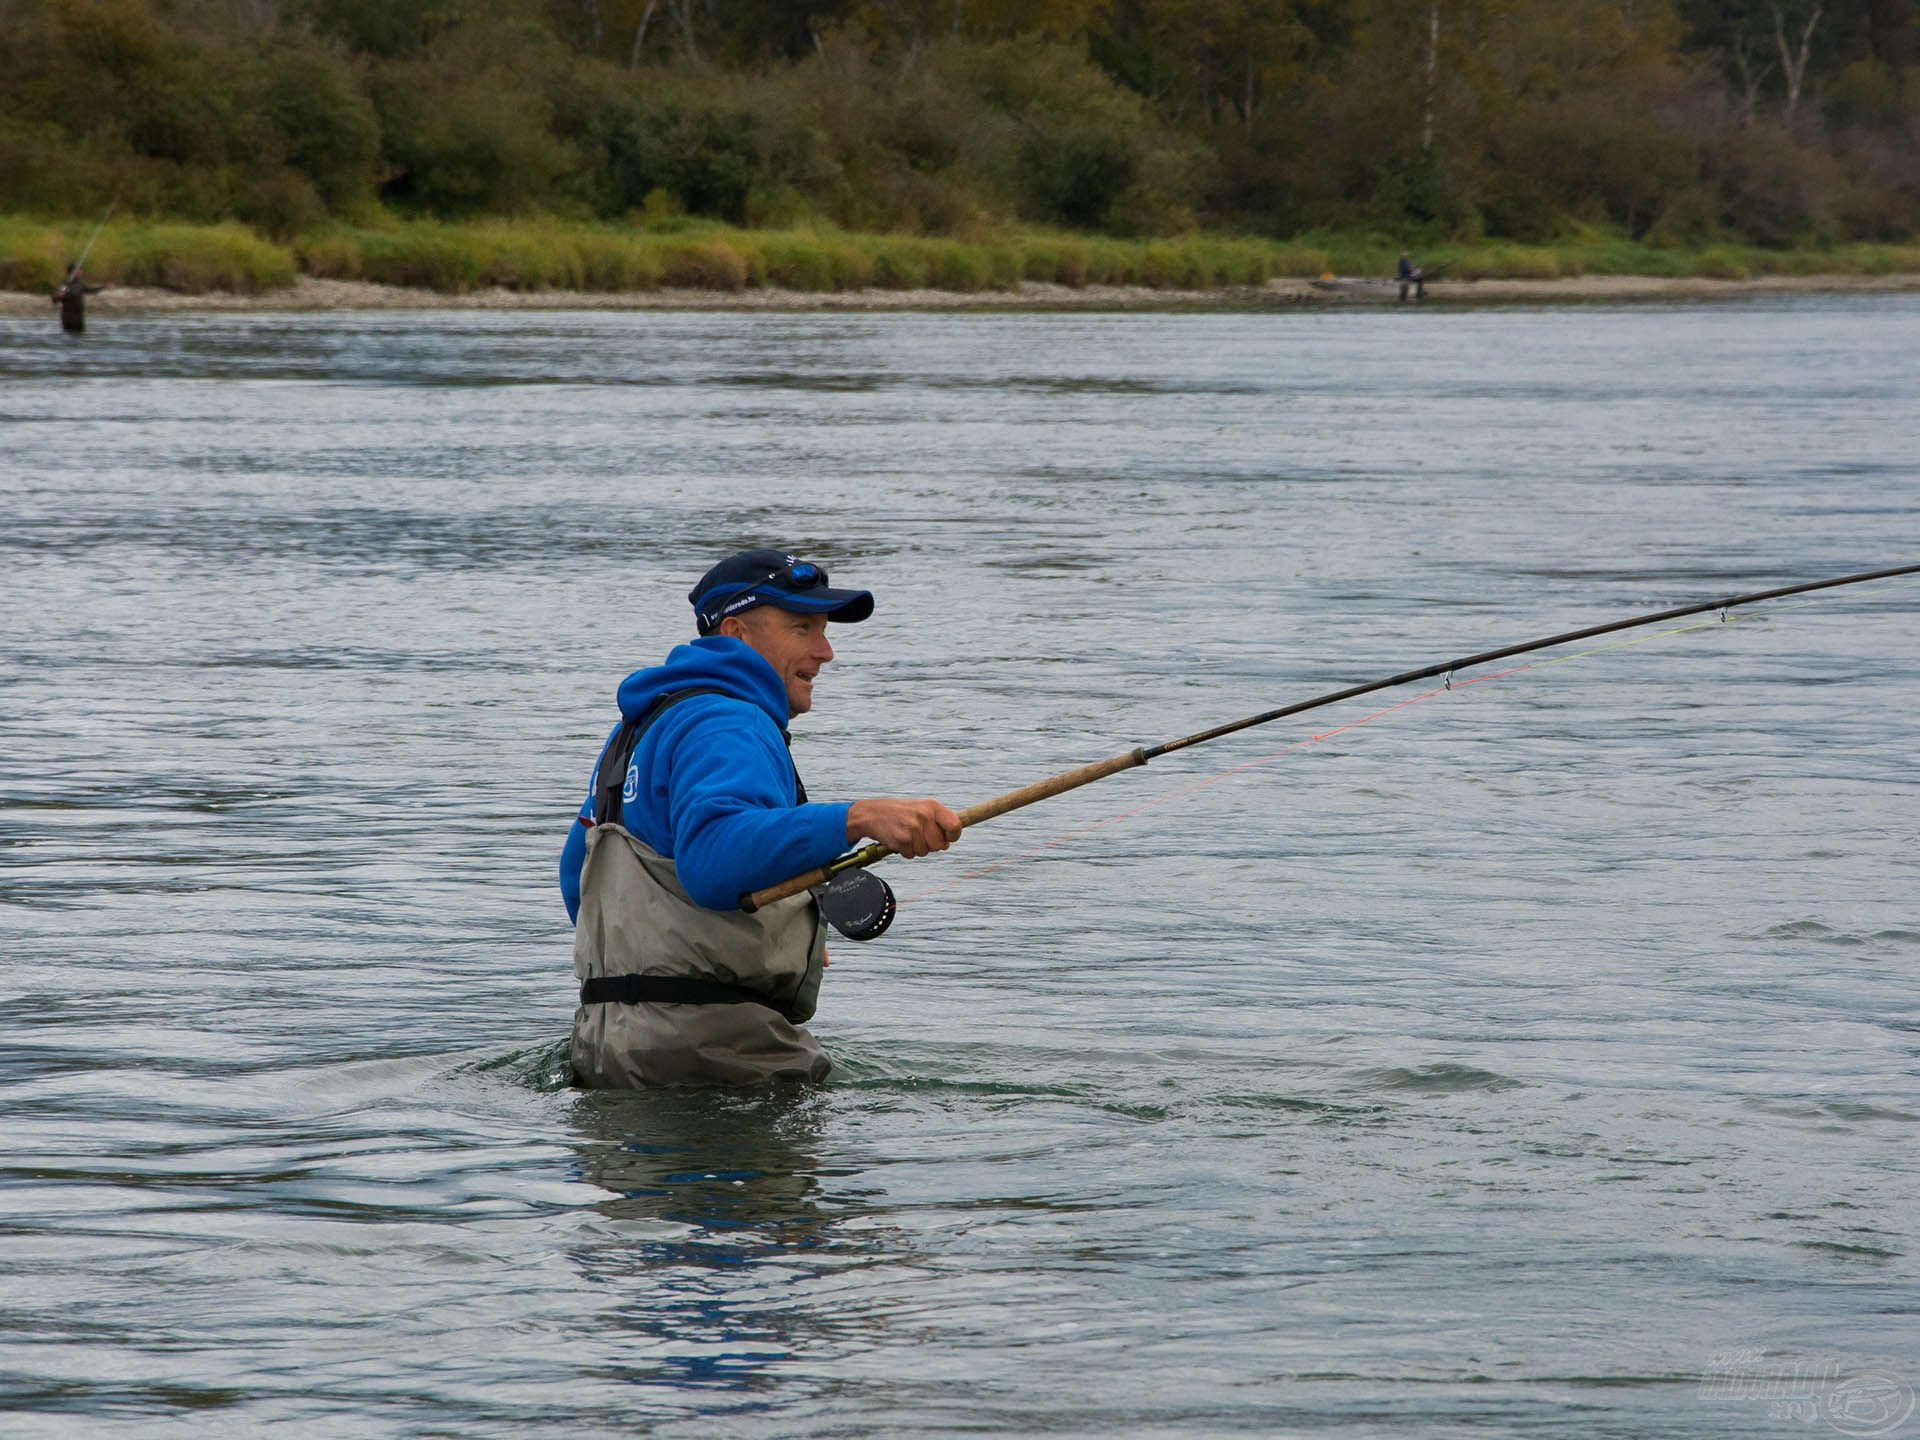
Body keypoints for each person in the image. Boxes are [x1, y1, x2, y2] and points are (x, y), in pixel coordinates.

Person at [561, 549, 962, 1088]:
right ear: (737, 633)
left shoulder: (643, 725)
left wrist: (759, 938)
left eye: (823, 630)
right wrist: (858, 818)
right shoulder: (730, 722)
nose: (826, 652)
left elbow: (578, 879)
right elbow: (714, 860)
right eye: (802, 628)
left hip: (606, 1046)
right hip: (714, 1057)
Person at [53, 263, 103, 334]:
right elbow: (55, 300)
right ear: (73, 272)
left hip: (79, 316)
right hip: (68, 317)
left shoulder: (80, 284)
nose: (81, 272)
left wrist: (103, 287)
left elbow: (91, 290)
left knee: (80, 336)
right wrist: (60, 295)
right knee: (69, 335)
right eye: (79, 270)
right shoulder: (64, 284)